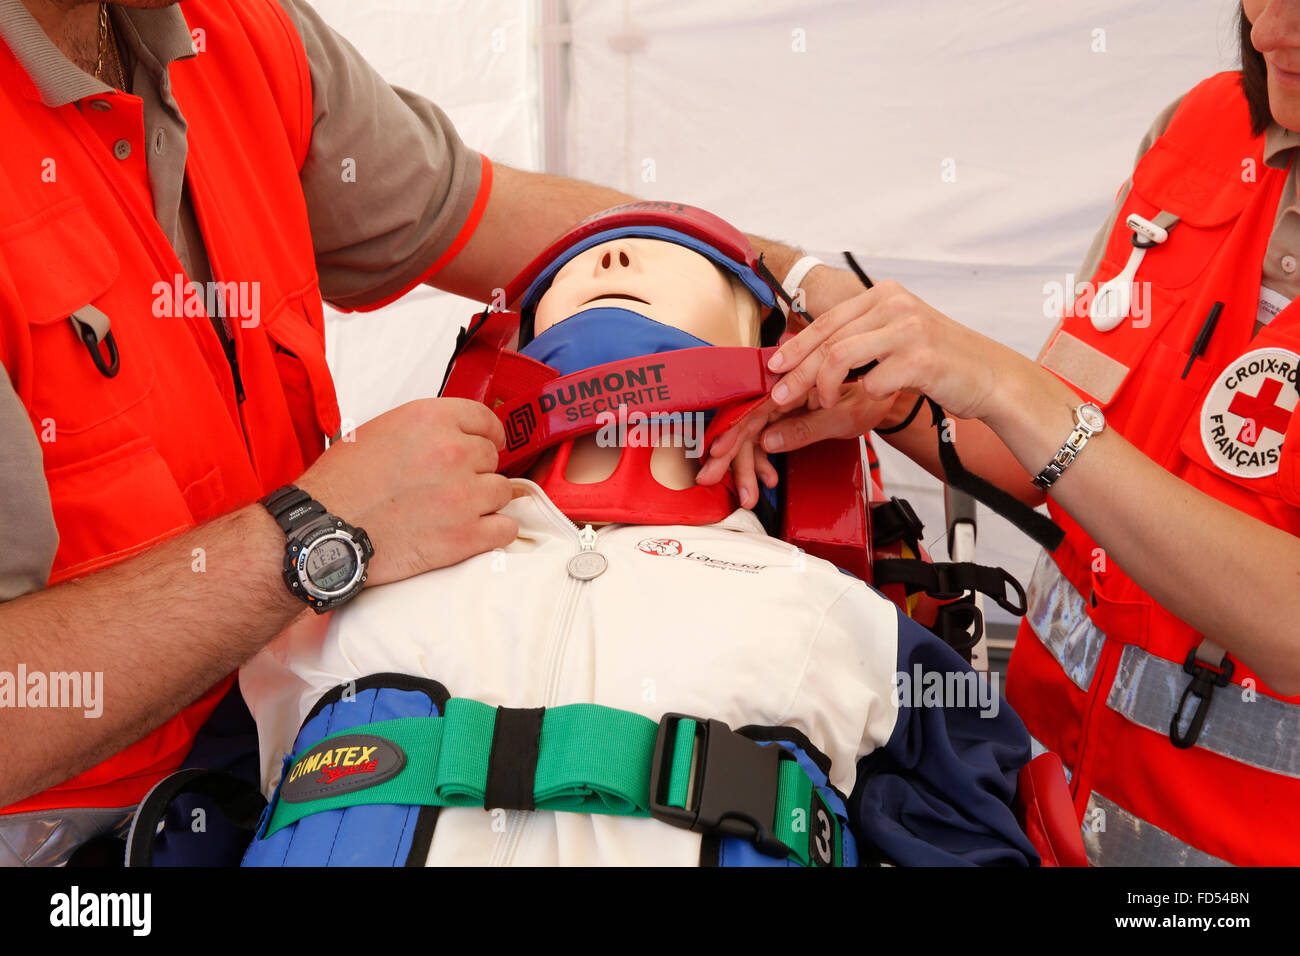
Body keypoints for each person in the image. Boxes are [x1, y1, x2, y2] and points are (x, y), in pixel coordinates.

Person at [0, 0, 866, 866]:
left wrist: (800, 284)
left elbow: (482, 213)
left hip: (254, 775)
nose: (612, 266)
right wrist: (312, 536)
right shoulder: (378, 564)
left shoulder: (228, 31)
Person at [233, 206, 1040, 867]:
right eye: (578, 262)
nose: (613, 263)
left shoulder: (831, 610)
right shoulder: (351, 565)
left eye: (674, 253)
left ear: (765, 336)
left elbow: (972, 831)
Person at [701, 1, 1300, 866]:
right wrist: (891, 392)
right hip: (1029, 811)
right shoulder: (1202, 133)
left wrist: (1005, 386)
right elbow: (1060, 452)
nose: (1268, 31)